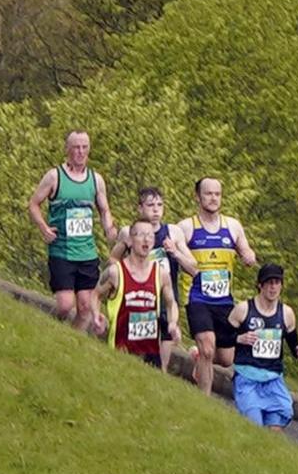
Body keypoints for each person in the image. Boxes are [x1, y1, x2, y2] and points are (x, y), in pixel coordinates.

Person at [171, 179, 257, 397]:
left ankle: (199, 361)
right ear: (197, 197)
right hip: (197, 298)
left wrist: (248, 256)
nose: (213, 198)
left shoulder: (232, 226)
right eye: (208, 194)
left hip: (224, 300)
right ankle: (205, 401)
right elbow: (180, 257)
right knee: (208, 348)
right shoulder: (186, 227)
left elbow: (247, 250)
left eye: (217, 194)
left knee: (226, 359)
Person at [25, 131, 116, 336]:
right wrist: (43, 227)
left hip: (87, 253)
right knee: (66, 305)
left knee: (85, 308)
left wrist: (110, 230)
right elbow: (33, 204)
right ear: (67, 149)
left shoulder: (96, 180)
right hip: (62, 250)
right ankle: (50, 329)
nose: (80, 152)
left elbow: (104, 210)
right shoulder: (54, 176)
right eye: (76, 147)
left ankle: (69, 342)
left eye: (84, 147)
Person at [224, 264, 298, 428]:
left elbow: (294, 345)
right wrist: (239, 339)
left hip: (273, 378)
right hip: (247, 376)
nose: (273, 287)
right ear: (260, 285)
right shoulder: (243, 309)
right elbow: (223, 338)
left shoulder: (286, 314)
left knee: (276, 427)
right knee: (254, 424)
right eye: (269, 282)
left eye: (277, 282)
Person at [98, 220, 179, 369]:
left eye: (149, 236)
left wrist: (173, 323)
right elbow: (95, 295)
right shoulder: (116, 272)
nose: (146, 239)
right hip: (120, 346)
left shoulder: (161, 274)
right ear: (131, 239)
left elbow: (171, 303)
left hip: (149, 349)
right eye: (141, 235)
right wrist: (96, 315)